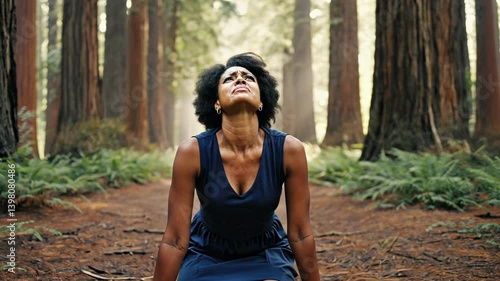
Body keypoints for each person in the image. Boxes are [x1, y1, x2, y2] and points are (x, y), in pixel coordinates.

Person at [152, 52, 320, 281]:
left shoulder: (289, 150)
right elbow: (174, 239)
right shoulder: (192, 152)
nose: (240, 79)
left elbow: (300, 234)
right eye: (229, 79)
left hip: (265, 253)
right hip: (207, 253)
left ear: (262, 100)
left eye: (248, 78)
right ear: (217, 103)